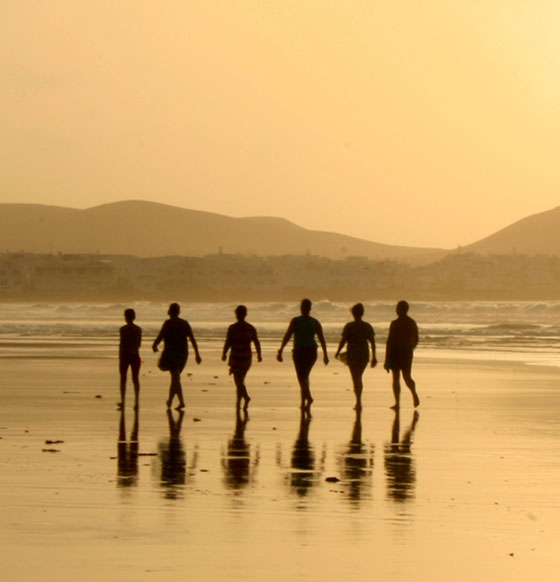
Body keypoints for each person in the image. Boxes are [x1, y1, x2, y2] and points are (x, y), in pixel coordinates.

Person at [277, 298, 329, 410]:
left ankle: (308, 397)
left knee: (302, 376)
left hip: (299, 351)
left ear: (302, 308)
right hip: (312, 351)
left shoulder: (295, 321)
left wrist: (281, 349)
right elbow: (322, 340)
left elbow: (287, 336)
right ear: (310, 309)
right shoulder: (315, 322)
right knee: (305, 376)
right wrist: (325, 354)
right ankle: (303, 401)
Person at [152, 302, 201, 409]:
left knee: (175, 378)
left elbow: (160, 336)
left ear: (170, 312)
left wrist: (155, 345)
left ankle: (179, 402)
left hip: (171, 354)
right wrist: (197, 354)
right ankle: (172, 401)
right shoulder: (184, 323)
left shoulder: (168, 323)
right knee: (175, 378)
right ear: (178, 312)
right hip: (182, 354)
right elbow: (192, 339)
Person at [334, 302, 377, 409]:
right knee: (358, 376)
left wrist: (338, 351)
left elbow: (343, 341)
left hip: (352, 354)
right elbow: (372, 343)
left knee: (356, 377)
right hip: (364, 354)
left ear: (353, 313)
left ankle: (358, 402)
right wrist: (374, 357)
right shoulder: (367, 326)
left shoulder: (349, 326)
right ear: (362, 313)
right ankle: (358, 401)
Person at [222, 305, 262, 410]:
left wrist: (224, 353)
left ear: (237, 315)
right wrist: (259, 354)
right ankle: (239, 401)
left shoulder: (233, 328)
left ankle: (246, 397)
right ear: (245, 314)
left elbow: (228, 342)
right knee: (240, 380)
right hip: (245, 357)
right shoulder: (250, 328)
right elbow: (256, 342)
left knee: (238, 380)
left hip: (238, 357)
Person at [384, 300, 420, 409]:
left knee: (398, 378)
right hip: (406, 353)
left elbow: (389, 342)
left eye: (397, 308)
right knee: (406, 377)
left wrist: (387, 360)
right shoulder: (411, 322)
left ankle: (399, 402)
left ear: (400, 310)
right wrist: (410, 348)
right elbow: (416, 339)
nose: (396, 310)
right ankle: (412, 395)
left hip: (396, 353)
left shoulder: (395, 323)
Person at [118, 308, 142, 410]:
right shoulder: (138, 329)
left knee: (123, 379)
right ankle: (136, 402)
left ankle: (123, 402)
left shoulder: (123, 329)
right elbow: (138, 344)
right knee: (135, 379)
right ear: (134, 317)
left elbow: (122, 344)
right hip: (135, 355)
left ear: (126, 317)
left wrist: (120, 356)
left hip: (125, 356)